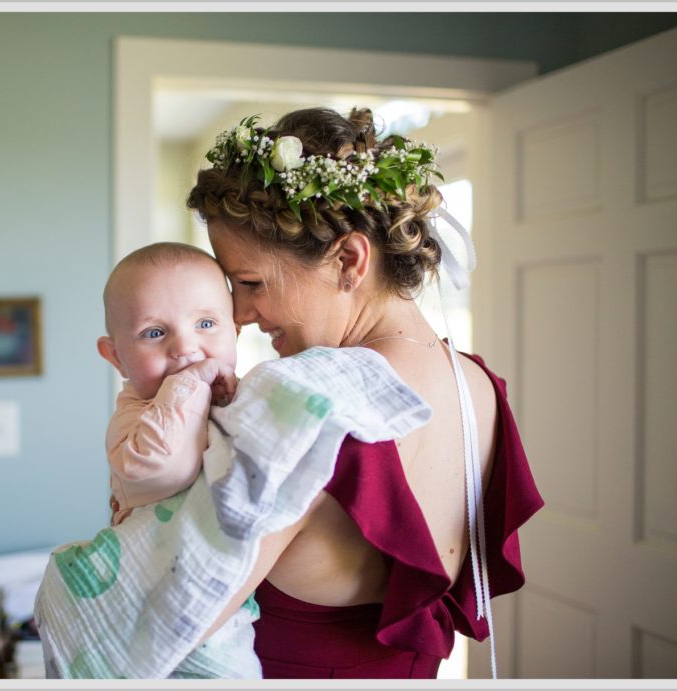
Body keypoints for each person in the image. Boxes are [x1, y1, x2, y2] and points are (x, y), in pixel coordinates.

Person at [185, 107, 544, 678]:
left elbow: (177, 625)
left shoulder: (302, 407)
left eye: (250, 283)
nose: (240, 314)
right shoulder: (478, 384)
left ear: (349, 260)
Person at [93, 241, 261, 678]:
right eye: (154, 332)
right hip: (156, 597)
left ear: (236, 332)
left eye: (205, 323)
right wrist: (189, 385)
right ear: (116, 356)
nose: (185, 348)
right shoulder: (134, 416)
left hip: (225, 598)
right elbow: (156, 468)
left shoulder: (237, 396)